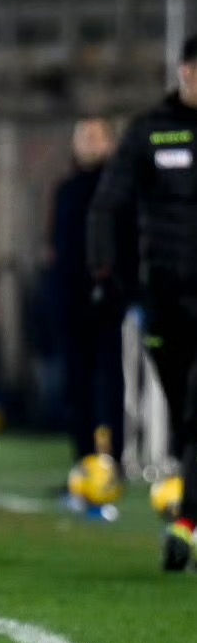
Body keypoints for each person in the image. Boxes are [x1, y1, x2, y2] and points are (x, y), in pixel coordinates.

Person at [89, 35, 197, 570]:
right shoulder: (150, 131)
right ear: (184, 72)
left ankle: (187, 523)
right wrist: (105, 271)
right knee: (183, 415)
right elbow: (108, 205)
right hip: (165, 300)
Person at [49, 118, 126, 516]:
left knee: (110, 386)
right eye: (82, 136)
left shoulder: (120, 189)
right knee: (76, 388)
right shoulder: (65, 190)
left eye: (95, 136)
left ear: (110, 143)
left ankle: (114, 465)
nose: (87, 143)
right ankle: (82, 465)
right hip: (71, 303)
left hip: (110, 304)